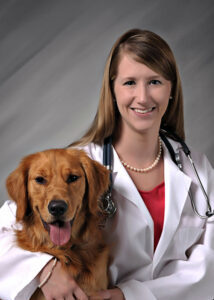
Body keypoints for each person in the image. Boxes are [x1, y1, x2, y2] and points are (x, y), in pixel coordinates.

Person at [0, 28, 214, 300]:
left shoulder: (196, 167)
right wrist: (43, 270)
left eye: (155, 82)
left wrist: (130, 295)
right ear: (112, 89)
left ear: (172, 89)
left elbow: (211, 262)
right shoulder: (78, 165)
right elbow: (8, 227)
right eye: (129, 83)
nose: (143, 97)